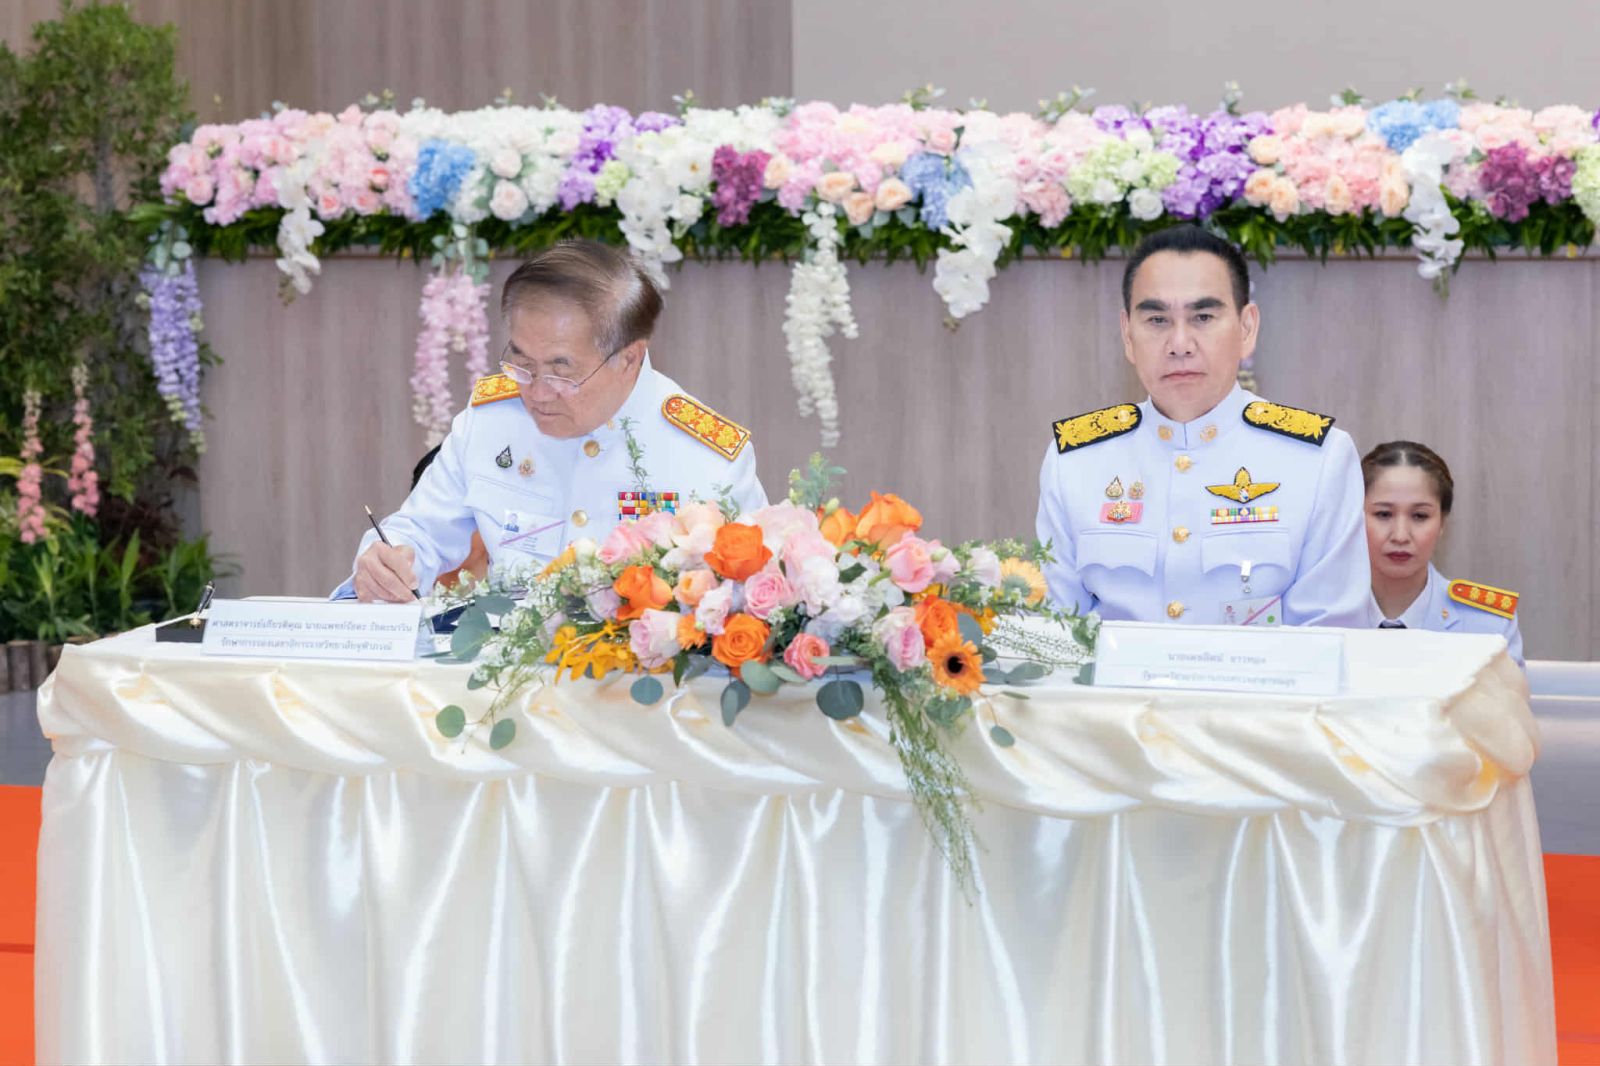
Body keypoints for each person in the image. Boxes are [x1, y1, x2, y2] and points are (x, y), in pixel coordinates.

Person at [338, 239, 768, 602]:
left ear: (629, 358)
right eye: (522, 361)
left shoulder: (706, 457)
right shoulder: (490, 422)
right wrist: (387, 560)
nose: (537, 393)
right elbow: (420, 531)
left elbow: (750, 601)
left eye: (562, 372)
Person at [1035, 225, 1369, 626]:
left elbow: (1332, 636)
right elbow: (1054, 631)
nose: (1180, 344)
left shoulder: (1319, 459)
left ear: (1247, 328)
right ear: (1127, 335)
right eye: (1157, 319)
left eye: (1203, 317)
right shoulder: (1076, 462)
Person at [1362, 440, 1524, 667]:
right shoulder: (1320, 615)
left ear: (1442, 524)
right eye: (1383, 514)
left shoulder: (1489, 625)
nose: (1400, 535)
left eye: (1419, 516)